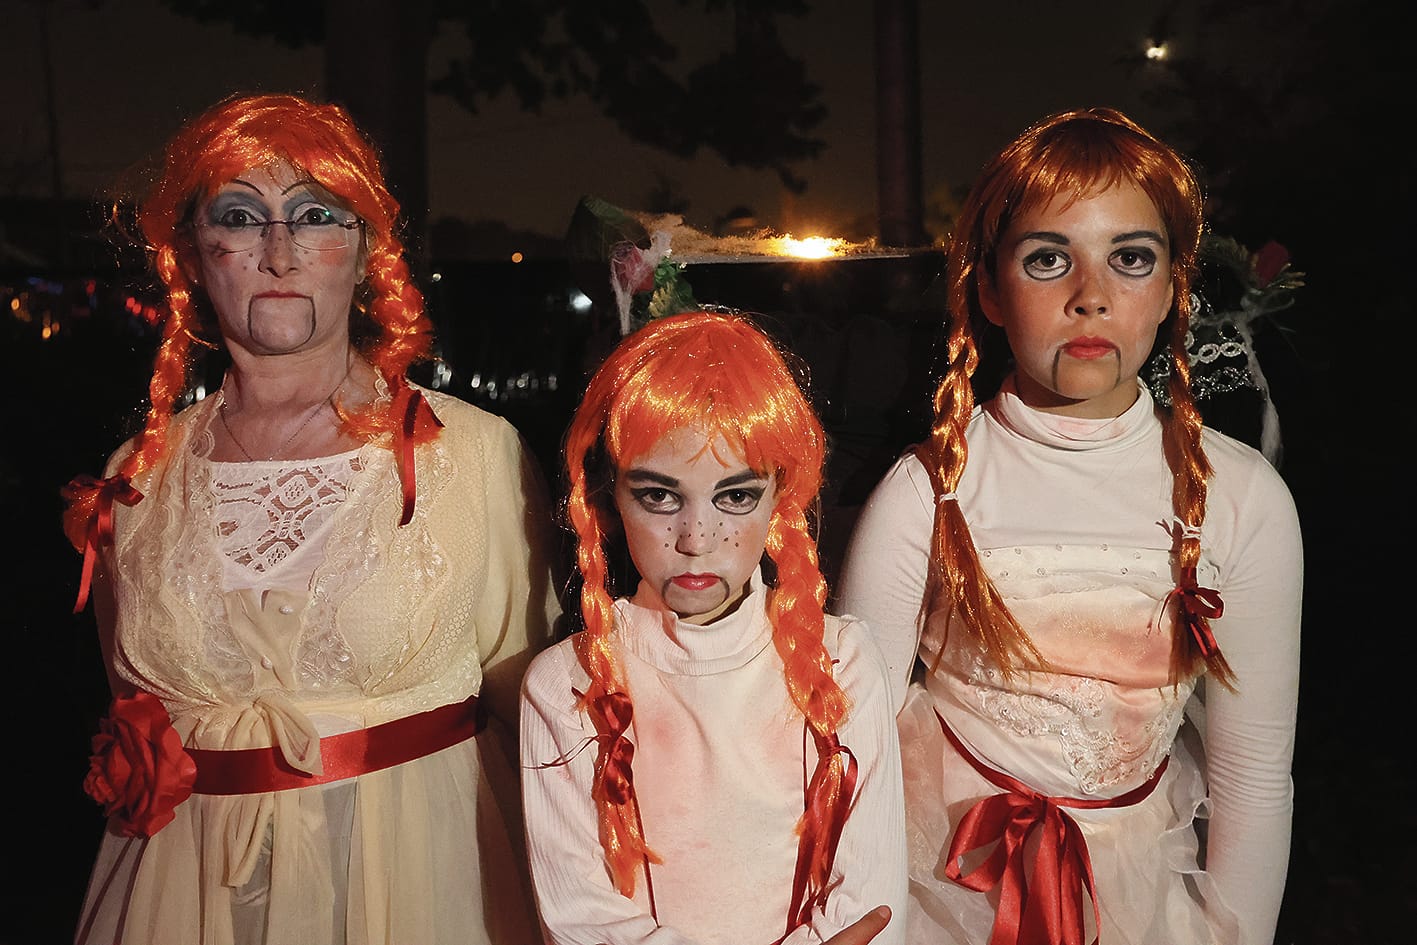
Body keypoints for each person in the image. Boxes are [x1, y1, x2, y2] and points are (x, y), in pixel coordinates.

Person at [63, 93, 558, 945]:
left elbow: (538, 711)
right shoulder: (133, 481)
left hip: (424, 894)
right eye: (241, 217)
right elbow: (128, 699)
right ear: (192, 251)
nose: (280, 252)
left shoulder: (474, 454)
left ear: (364, 251)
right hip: (184, 906)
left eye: (315, 216)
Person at [834, 107, 1302, 945]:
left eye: (1129, 259)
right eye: (1049, 259)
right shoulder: (925, 491)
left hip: (1140, 897)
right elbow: (844, 747)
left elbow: (1252, 775)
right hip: (938, 888)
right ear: (988, 288)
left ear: (1170, 290)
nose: (1090, 295)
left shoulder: (1242, 497)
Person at [520, 311, 907, 944]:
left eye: (734, 497)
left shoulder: (843, 663)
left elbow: (870, 904)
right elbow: (582, 919)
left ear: (780, 496)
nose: (697, 540)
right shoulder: (565, 685)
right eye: (660, 496)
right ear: (609, 497)